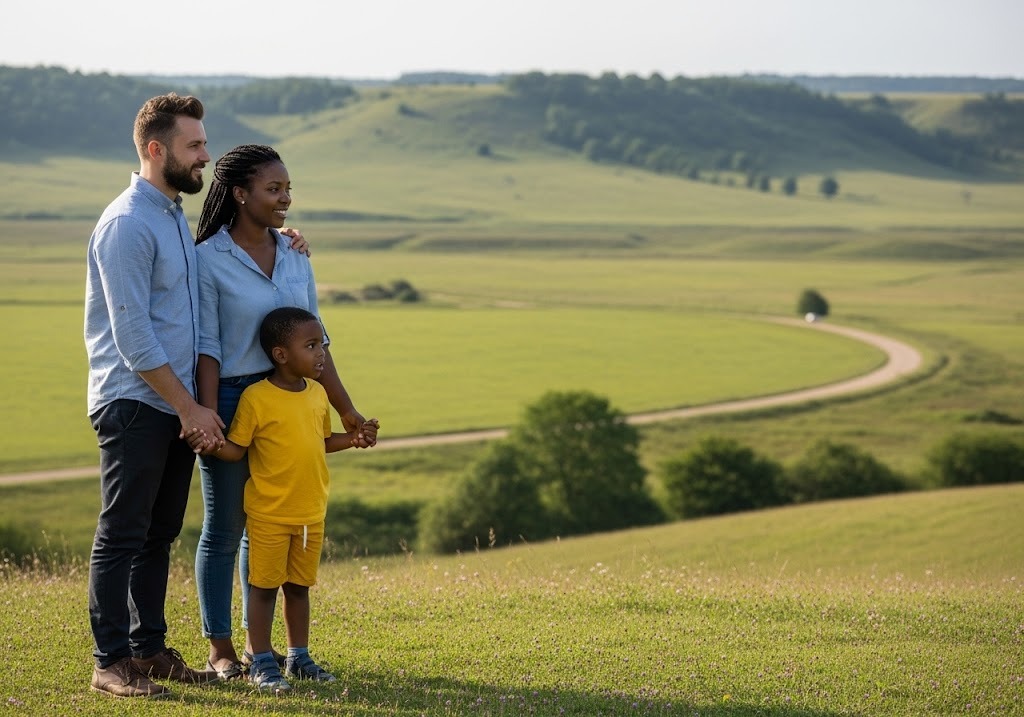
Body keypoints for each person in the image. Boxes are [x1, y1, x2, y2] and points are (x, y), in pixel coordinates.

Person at [191, 144, 378, 680]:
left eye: (289, 189)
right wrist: (207, 413)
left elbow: (318, 343)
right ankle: (222, 650)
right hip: (230, 396)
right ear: (240, 193)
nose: (285, 200)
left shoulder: (296, 254)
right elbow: (207, 344)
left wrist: (346, 410)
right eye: (274, 189)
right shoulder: (208, 259)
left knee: (268, 526)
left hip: (293, 396)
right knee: (225, 527)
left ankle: (266, 653)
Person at [84, 93, 224, 699]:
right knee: (122, 532)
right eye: (194, 145)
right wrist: (190, 406)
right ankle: (110, 662)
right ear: (156, 149)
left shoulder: (170, 215)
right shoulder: (127, 223)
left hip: (173, 406)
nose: (205, 156)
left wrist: (287, 237)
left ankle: (149, 650)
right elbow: (133, 334)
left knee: (159, 533)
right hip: (134, 401)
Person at [209, 306, 378, 691]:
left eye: (322, 344)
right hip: (269, 515)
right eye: (311, 345)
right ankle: (262, 662)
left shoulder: (318, 394)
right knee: (264, 588)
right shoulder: (256, 398)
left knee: (299, 588)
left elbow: (320, 442)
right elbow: (237, 450)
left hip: (310, 512)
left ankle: (298, 657)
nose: (321, 353)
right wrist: (210, 442)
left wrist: (353, 438)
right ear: (281, 354)